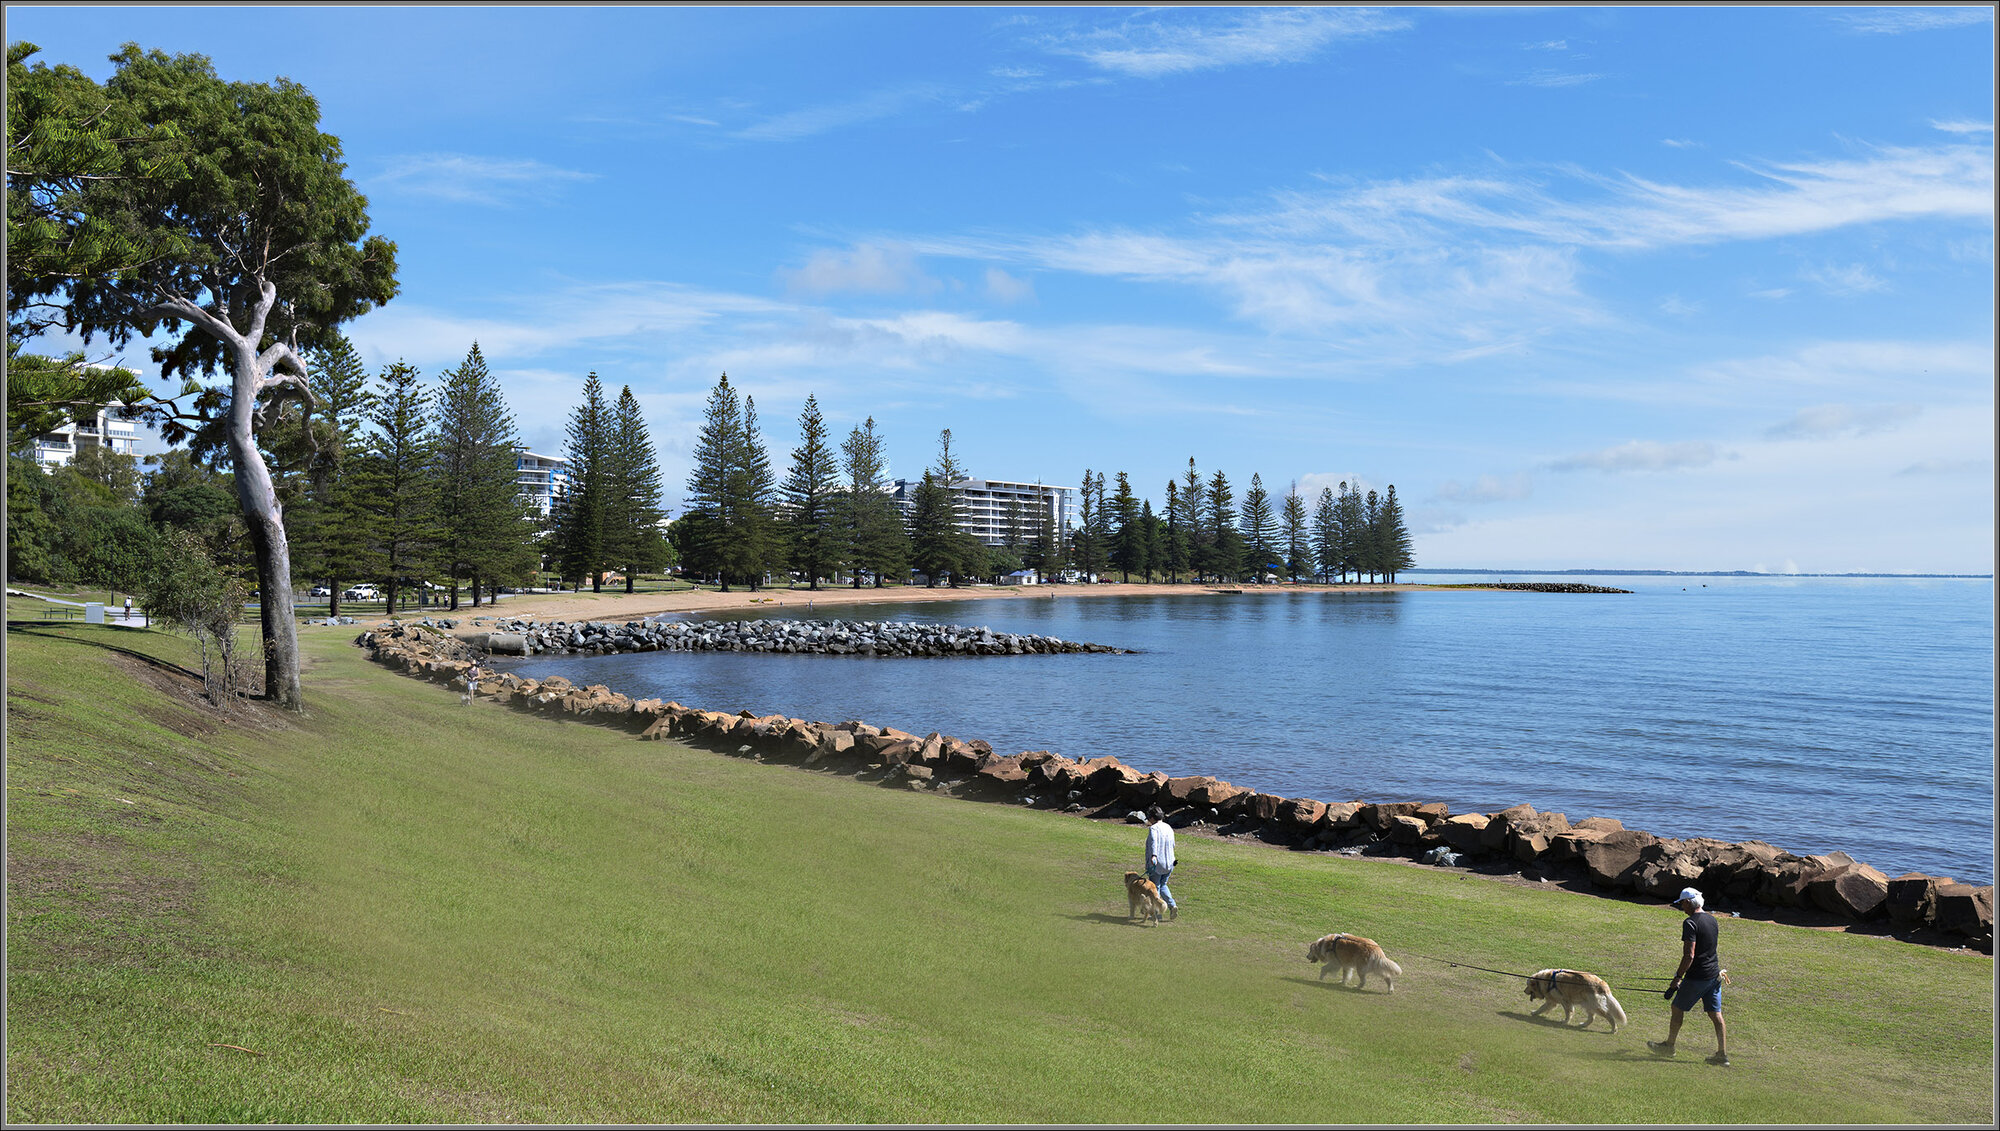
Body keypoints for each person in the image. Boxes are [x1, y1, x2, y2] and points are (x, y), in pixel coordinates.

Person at [1648, 886, 1729, 1066]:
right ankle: (1722, 1055)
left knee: (1677, 1009)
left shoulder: (1690, 923)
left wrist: (1678, 977)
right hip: (1714, 976)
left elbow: (1689, 955)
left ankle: (1669, 1047)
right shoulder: (1712, 919)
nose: (1681, 908)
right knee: (1716, 1014)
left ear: (1688, 902)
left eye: (1682, 904)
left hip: (1697, 977)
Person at [1143, 805, 1178, 920]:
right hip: (1170, 862)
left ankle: (1157, 914)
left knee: (1155, 887)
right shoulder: (1168, 827)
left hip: (1158, 863)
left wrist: (1154, 856)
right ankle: (1172, 905)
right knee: (1163, 885)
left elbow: (1154, 842)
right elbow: (1173, 844)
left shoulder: (1153, 828)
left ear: (1152, 817)